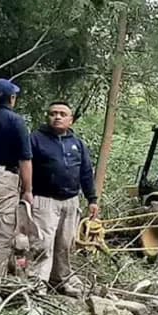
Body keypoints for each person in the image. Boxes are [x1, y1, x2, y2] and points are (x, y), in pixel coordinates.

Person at [29, 101, 98, 291]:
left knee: (65, 244)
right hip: (43, 200)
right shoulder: (35, 139)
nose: (57, 117)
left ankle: (60, 281)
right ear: (48, 117)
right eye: (53, 113)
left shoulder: (77, 143)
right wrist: (25, 192)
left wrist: (92, 199)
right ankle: (37, 284)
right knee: (43, 244)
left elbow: (85, 172)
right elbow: (25, 167)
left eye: (62, 114)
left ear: (71, 120)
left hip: (70, 201)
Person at [0, 79, 33, 275]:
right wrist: (28, 190)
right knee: (1, 235)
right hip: (2, 179)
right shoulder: (15, 121)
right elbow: (25, 160)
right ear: (11, 98)